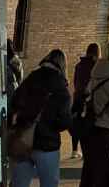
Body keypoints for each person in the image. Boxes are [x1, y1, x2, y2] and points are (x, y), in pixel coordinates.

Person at [10, 49, 72, 187]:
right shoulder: (61, 87)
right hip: (47, 144)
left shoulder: (31, 77)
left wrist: (22, 120)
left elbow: (14, 102)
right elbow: (64, 121)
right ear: (62, 65)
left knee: (19, 184)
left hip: (23, 139)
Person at [78, 41, 109, 187]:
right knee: (104, 174)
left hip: (90, 127)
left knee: (89, 171)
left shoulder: (96, 73)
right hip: (103, 129)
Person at [69, 43, 100, 159]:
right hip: (90, 99)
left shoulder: (78, 65)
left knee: (77, 123)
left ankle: (74, 150)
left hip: (78, 97)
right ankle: (86, 151)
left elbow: (75, 82)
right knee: (88, 126)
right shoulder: (96, 66)